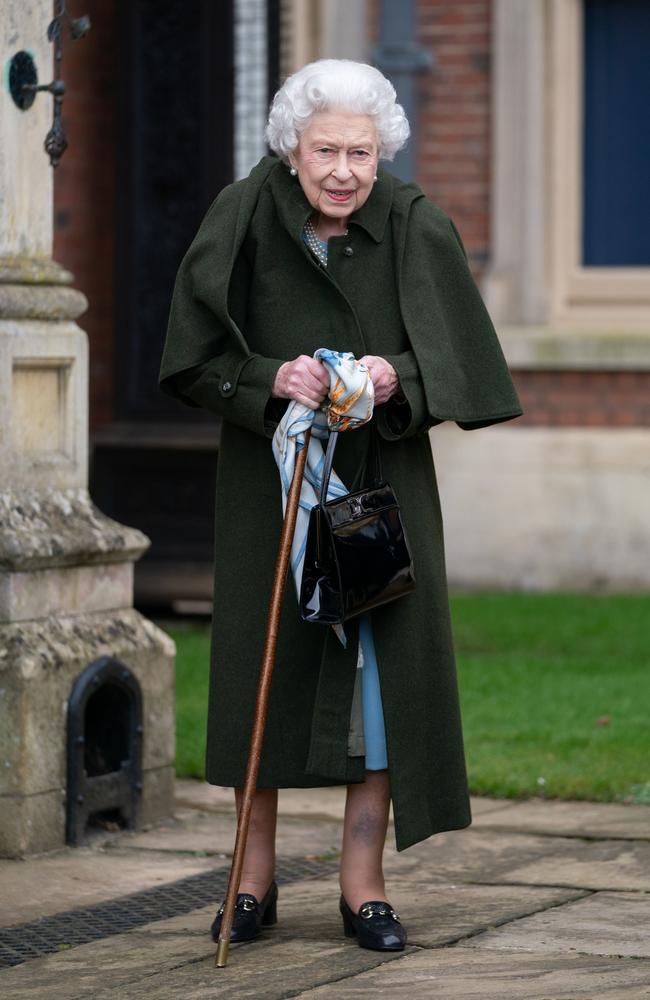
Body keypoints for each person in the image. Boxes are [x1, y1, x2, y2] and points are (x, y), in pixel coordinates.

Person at [159, 58, 522, 952]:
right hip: (268, 490)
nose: (344, 172)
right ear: (292, 148)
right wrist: (266, 378)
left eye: (361, 152)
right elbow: (192, 357)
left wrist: (400, 374)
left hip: (382, 485)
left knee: (381, 679)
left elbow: (467, 367)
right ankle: (251, 883)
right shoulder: (242, 214)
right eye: (326, 149)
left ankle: (363, 886)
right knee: (264, 667)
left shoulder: (412, 222)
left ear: (380, 153)